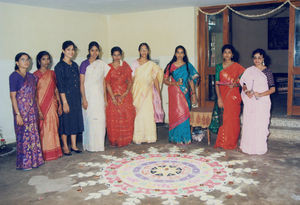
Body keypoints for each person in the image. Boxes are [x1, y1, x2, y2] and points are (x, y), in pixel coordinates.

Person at [9, 52, 44, 170]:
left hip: (32, 111)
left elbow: (34, 96)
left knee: (34, 135)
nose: (26, 62)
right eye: (23, 59)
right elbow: (13, 96)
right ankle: (25, 163)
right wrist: (17, 114)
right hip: (21, 111)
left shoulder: (32, 77)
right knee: (23, 136)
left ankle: (36, 161)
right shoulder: (13, 76)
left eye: (27, 59)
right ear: (17, 63)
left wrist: (38, 110)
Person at [240, 49, 275, 155]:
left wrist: (260, 94)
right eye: (255, 58)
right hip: (250, 101)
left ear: (263, 59)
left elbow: (273, 89)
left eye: (259, 58)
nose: (257, 60)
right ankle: (247, 147)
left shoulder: (267, 72)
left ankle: (259, 147)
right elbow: (243, 82)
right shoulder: (249, 70)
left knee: (260, 124)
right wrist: (246, 91)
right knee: (249, 123)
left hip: (262, 102)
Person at [163, 45, 199, 144]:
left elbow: (192, 80)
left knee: (184, 114)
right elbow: (165, 80)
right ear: (175, 54)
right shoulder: (170, 65)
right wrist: (174, 83)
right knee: (175, 114)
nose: (179, 54)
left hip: (185, 94)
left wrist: (194, 94)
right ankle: (176, 138)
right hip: (174, 93)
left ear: (184, 54)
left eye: (181, 52)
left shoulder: (188, 65)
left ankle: (185, 138)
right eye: (178, 52)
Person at [80, 41, 110, 152]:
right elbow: (81, 82)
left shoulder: (101, 64)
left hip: (99, 97)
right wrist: (84, 98)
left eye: (96, 50)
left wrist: (105, 98)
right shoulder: (84, 64)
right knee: (90, 120)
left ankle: (99, 145)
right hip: (89, 96)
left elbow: (103, 82)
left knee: (101, 120)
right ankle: (90, 145)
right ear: (89, 51)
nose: (94, 52)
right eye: (92, 50)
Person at [55, 40, 83, 155]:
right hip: (65, 98)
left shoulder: (75, 65)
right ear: (63, 51)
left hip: (75, 97)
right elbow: (60, 86)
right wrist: (64, 102)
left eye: (73, 49)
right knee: (65, 122)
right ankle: (65, 146)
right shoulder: (59, 66)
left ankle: (74, 145)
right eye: (68, 50)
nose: (71, 52)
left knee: (74, 120)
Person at [214, 44, 245, 150]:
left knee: (233, 119)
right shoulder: (218, 67)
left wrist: (236, 84)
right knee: (224, 118)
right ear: (222, 54)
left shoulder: (237, 67)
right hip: (223, 95)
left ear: (232, 55)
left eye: (229, 52)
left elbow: (244, 79)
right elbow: (217, 83)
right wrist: (219, 98)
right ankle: (222, 142)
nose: (227, 54)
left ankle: (231, 142)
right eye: (225, 52)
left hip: (233, 95)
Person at [131, 43, 163, 144]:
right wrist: (131, 92)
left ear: (148, 51)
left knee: (148, 113)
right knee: (139, 114)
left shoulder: (152, 65)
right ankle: (139, 137)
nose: (144, 52)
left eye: (145, 50)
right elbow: (132, 79)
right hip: (137, 92)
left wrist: (159, 94)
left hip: (148, 93)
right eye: (142, 49)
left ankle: (150, 137)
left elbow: (156, 80)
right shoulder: (134, 63)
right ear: (139, 51)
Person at [34, 51, 63, 161]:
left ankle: (56, 151)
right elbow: (35, 94)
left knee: (54, 127)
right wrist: (39, 110)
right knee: (44, 129)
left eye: (48, 59)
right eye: (43, 59)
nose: (46, 61)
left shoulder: (52, 73)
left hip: (52, 105)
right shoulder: (35, 75)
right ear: (39, 61)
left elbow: (56, 89)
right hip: (41, 106)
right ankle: (45, 153)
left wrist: (60, 104)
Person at [105, 46, 135, 147]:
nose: (117, 57)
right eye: (115, 55)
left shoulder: (125, 66)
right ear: (112, 56)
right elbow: (107, 83)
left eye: (118, 55)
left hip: (124, 96)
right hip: (113, 96)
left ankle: (126, 139)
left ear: (121, 55)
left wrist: (126, 93)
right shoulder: (108, 67)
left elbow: (130, 81)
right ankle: (115, 140)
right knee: (114, 118)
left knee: (126, 117)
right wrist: (112, 97)